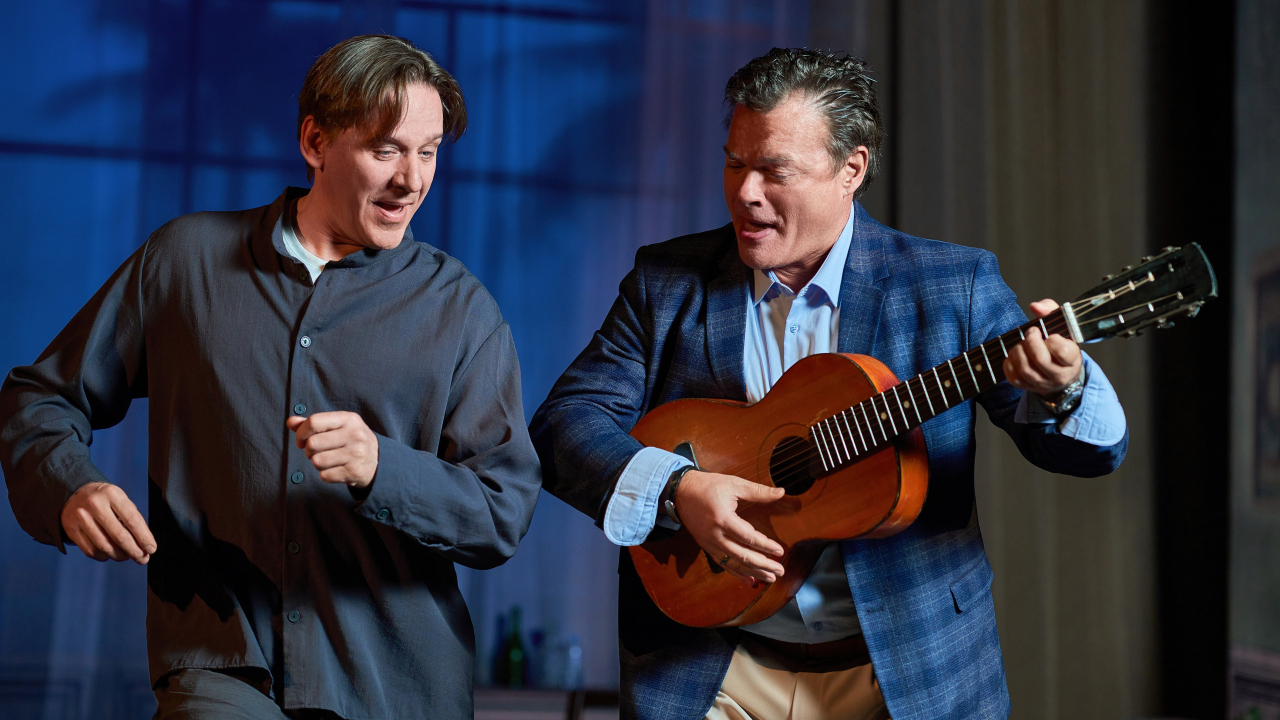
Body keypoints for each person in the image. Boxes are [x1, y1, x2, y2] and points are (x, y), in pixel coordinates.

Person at [529, 48, 1128, 719]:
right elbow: (563, 424)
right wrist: (678, 488)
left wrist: (1065, 386)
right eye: (734, 163)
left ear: (852, 169)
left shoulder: (951, 284)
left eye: (775, 170)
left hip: (904, 676)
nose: (745, 192)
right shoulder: (666, 282)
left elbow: (1080, 452)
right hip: (710, 668)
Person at [0, 35, 542, 719]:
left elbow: (501, 512)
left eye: (428, 152)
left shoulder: (462, 311)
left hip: (397, 690)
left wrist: (384, 468)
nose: (412, 180)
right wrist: (68, 485)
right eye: (386, 150)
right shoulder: (184, 262)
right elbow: (40, 397)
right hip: (222, 668)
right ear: (316, 142)